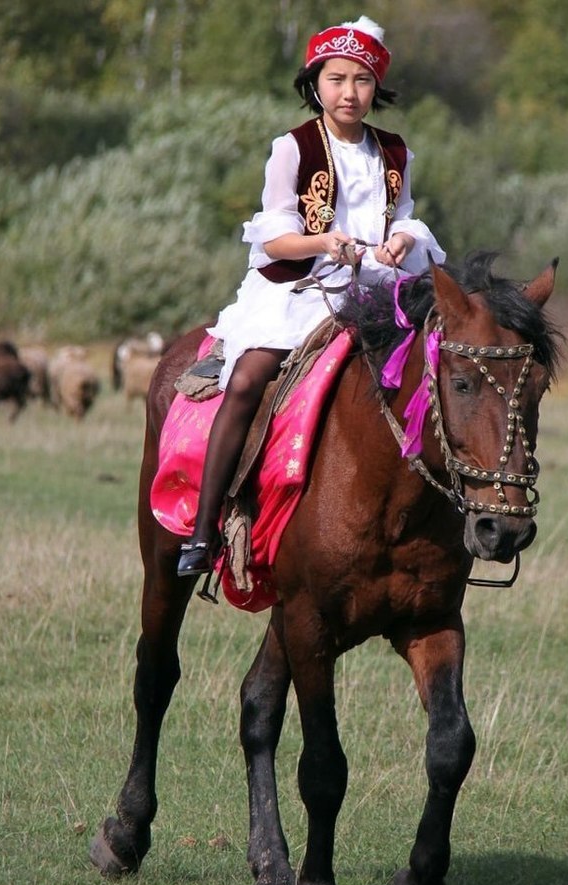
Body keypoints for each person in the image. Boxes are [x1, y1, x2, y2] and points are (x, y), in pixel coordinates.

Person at [177, 14, 446, 577]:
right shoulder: (292, 148)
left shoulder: (395, 151)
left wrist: (400, 238)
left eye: (362, 80)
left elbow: (405, 216)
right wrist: (326, 240)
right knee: (249, 378)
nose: (350, 92)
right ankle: (204, 530)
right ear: (315, 83)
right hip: (301, 289)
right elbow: (274, 237)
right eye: (337, 79)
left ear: (377, 87)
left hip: (376, 289)